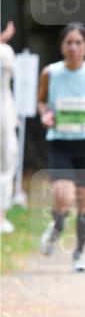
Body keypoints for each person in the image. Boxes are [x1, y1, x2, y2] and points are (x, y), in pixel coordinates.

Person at [37, 23, 85, 272]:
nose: (73, 47)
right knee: (63, 195)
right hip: (60, 143)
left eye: (78, 43)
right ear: (61, 46)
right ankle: (58, 225)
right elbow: (41, 101)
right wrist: (45, 115)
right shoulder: (51, 72)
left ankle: (79, 254)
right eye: (68, 42)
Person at [0, 21, 18, 234]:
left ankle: (2, 216)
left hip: (5, 112)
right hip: (4, 114)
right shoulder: (4, 51)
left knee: (6, 163)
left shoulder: (4, 51)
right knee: (5, 163)